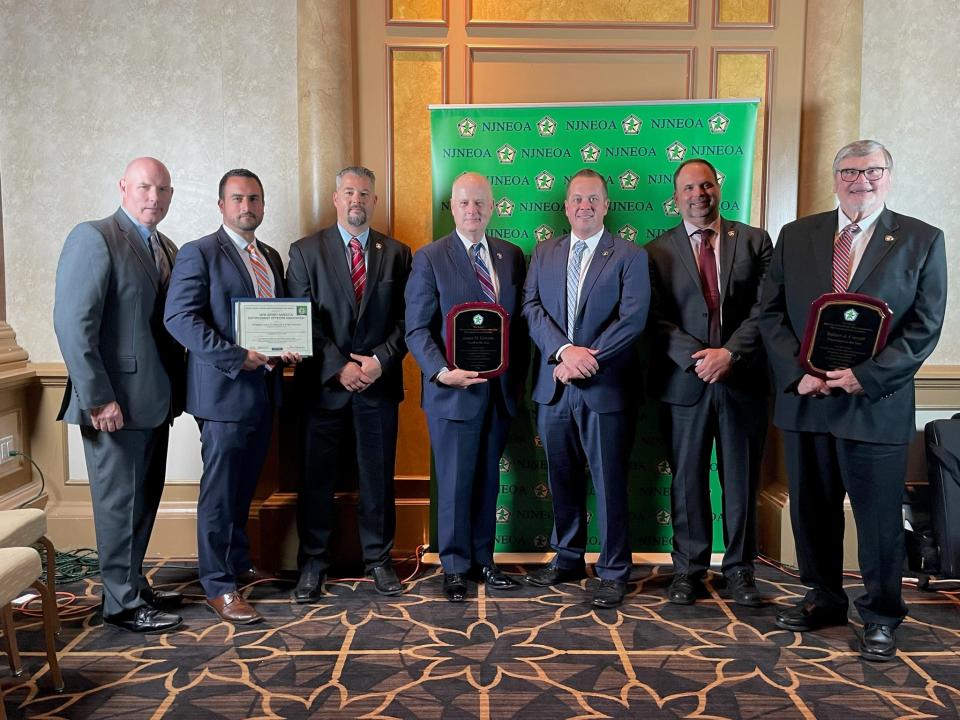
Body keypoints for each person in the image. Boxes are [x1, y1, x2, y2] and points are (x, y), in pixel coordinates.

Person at [758, 140, 947, 661]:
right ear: (834, 177)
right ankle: (823, 599)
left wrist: (864, 376)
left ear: (889, 175)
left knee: (879, 520)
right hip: (807, 400)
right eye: (849, 171)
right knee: (812, 513)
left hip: (874, 403)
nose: (860, 179)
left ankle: (883, 614)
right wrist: (799, 375)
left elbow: (924, 327)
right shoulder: (797, 236)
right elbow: (769, 313)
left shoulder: (921, 239)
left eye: (872, 170)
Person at [54, 157, 185, 633]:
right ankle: (122, 605)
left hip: (155, 401)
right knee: (117, 505)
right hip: (112, 404)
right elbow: (74, 325)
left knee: (142, 501)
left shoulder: (165, 246)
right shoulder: (94, 237)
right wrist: (97, 398)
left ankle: (130, 583)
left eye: (163, 190)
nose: (154, 197)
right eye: (145, 187)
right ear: (124, 188)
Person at [164, 169, 299, 625]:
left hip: (262, 391)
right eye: (238, 198)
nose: (247, 207)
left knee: (244, 488)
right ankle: (219, 587)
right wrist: (236, 356)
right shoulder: (198, 253)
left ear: (264, 205)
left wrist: (285, 350)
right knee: (220, 494)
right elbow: (180, 318)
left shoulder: (271, 256)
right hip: (222, 394)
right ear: (221, 205)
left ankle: (237, 565)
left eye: (255, 199)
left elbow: (275, 321)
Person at [646, 159, 773, 607]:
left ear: (718, 187)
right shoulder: (655, 251)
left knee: (740, 480)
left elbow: (767, 308)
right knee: (687, 480)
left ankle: (740, 570)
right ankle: (689, 570)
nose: (699, 194)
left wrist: (730, 354)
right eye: (688, 188)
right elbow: (654, 318)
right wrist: (699, 358)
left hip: (743, 381)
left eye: (706, 184)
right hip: (685, 382)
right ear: (676, 197)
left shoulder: (755, 241)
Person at [522, 169, 649, 609]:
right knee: (561, 479)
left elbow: (632, 319)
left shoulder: (630, 255)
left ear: (607, 204)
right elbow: (531, 307)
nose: (584, 206)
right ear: (566, 205)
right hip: (554, 387)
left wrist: (584, 360)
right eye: (577, 199)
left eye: (594, 199)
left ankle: (614, 570)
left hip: (605, 386)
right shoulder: (544, 252)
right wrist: (562, 352)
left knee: (609, 481)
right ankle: (569, 557)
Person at [286, 166, 412, 601]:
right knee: (316, 480)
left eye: (365, 193)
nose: (357, 199)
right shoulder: (304, 252)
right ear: (336, 199)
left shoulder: (398, 253)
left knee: (377, 479)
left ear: (375, 202)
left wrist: (379, 360)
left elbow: (407, 320)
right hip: (324, 387)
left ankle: (379, 560)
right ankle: (313, 563)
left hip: (378, 386)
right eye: (349, 192)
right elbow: (303, 319)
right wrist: (339, 367)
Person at [405, 171, 528, 602]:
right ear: (452, 208)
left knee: (487, 483)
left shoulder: (512, 255)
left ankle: (484, 561)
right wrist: (441, 372)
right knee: (455, 482)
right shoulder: (430, 258)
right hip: (452, 391)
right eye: (463, 203)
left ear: (492, 207)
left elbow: (520, 325)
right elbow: (416, 329)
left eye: (480, 203)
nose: (472, 210)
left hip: (498, 392)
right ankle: (454, 567)